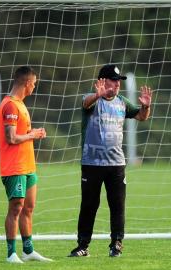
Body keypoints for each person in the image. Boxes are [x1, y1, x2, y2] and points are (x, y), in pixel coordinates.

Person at [68, 64, 152, 257]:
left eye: (118, 82)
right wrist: (97, 95)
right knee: (89, 205)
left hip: (116, 165)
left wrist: (146, 106)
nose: (116, 85)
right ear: (102, 81)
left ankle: (116, 244)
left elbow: (141, 116)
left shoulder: (122, 102)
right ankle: (83, 246)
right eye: (113, 81)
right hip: (92, 164)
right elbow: (85, 104)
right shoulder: (92, 100)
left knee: (117, 205)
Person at [0, 66, 52, 263]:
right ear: (27, 83)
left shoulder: (20, 104)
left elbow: (22, 133)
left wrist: (33, 133)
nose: (34, 87)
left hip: (28, 166)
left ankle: (28, 251)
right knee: (16, 207)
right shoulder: (10, 105)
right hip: (14, 167)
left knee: (28, 208)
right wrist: (32, 135)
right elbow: (11, 138)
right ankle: (11, 253)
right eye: (34, 83)